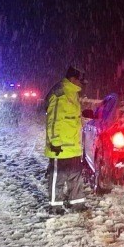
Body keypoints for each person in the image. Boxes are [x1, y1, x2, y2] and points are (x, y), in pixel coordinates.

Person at [44, 66, 88, 214]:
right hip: (60, 147)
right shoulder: (60, 94)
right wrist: (55, 142)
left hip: (73, 146)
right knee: (58, 178)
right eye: (81, 81)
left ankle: (77, 204)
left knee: (75, 177)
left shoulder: (72, 93)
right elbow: (53, 120)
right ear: (73, 79)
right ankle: (55, 206)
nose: (83, 84)